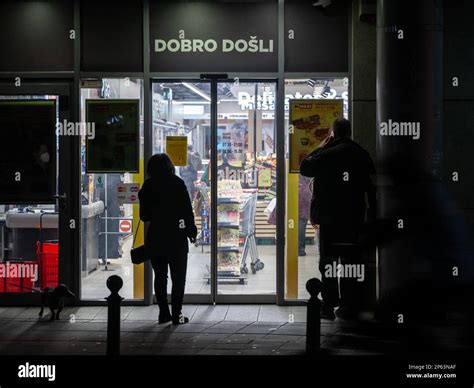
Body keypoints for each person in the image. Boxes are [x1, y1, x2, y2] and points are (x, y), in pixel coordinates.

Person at [300, 118, 376, 321]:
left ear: (332, 133)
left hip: (329, 217)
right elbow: (371, 185)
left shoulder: (326, 153)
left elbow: (305, 167)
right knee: (351, 261)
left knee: (329, 262)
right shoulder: (361, 153)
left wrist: (321, 146)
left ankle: (328, 305)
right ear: (349, 132)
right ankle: (349, 307)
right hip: (354, 217)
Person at [138, 153, 197, 325]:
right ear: (169, 166)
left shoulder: (148, 186)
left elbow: (144, 216)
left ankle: (163, 313)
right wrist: (191, 230)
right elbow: (187, 210)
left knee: (160, 276)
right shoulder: (177, 183)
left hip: (156, 237)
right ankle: (177, 315)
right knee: (178, 278)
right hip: (176, 238)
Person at [298, 175, 312, 256]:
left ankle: (299, 249)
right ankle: (300, 250)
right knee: (302, 223)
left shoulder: (293, 170)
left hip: (298, 197)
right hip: (306, 198)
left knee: (300, 223)